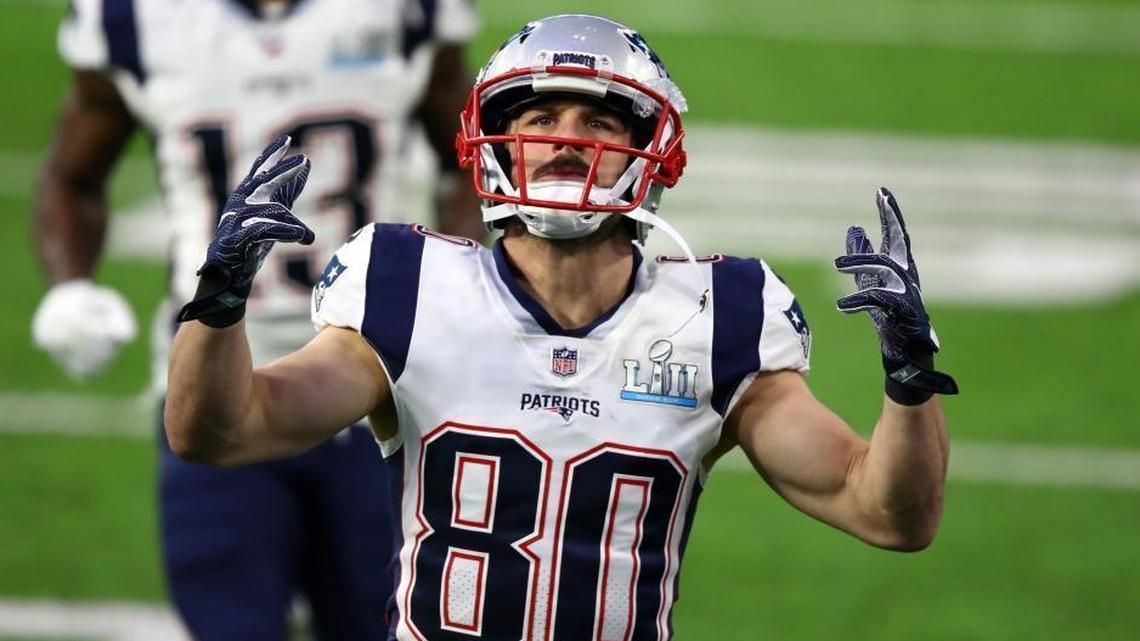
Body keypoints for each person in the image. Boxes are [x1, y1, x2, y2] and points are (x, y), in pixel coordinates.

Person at [165, 13, 959, 640]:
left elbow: (888, 512)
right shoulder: (408, 288)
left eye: (600, 123)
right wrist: (218, 307)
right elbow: (224, 430)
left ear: (650, 152)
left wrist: (910, 384)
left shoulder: (717, 318)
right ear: (492, 141)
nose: (565, 139)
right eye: (540, 113)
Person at [31, 0, 482, 639]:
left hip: (374, 379)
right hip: (212, 375)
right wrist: (68, 287)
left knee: (389, 626)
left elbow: (470, 161)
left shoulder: (403, 12)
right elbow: (73, 176)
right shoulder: (135, 19)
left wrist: (449, 281)